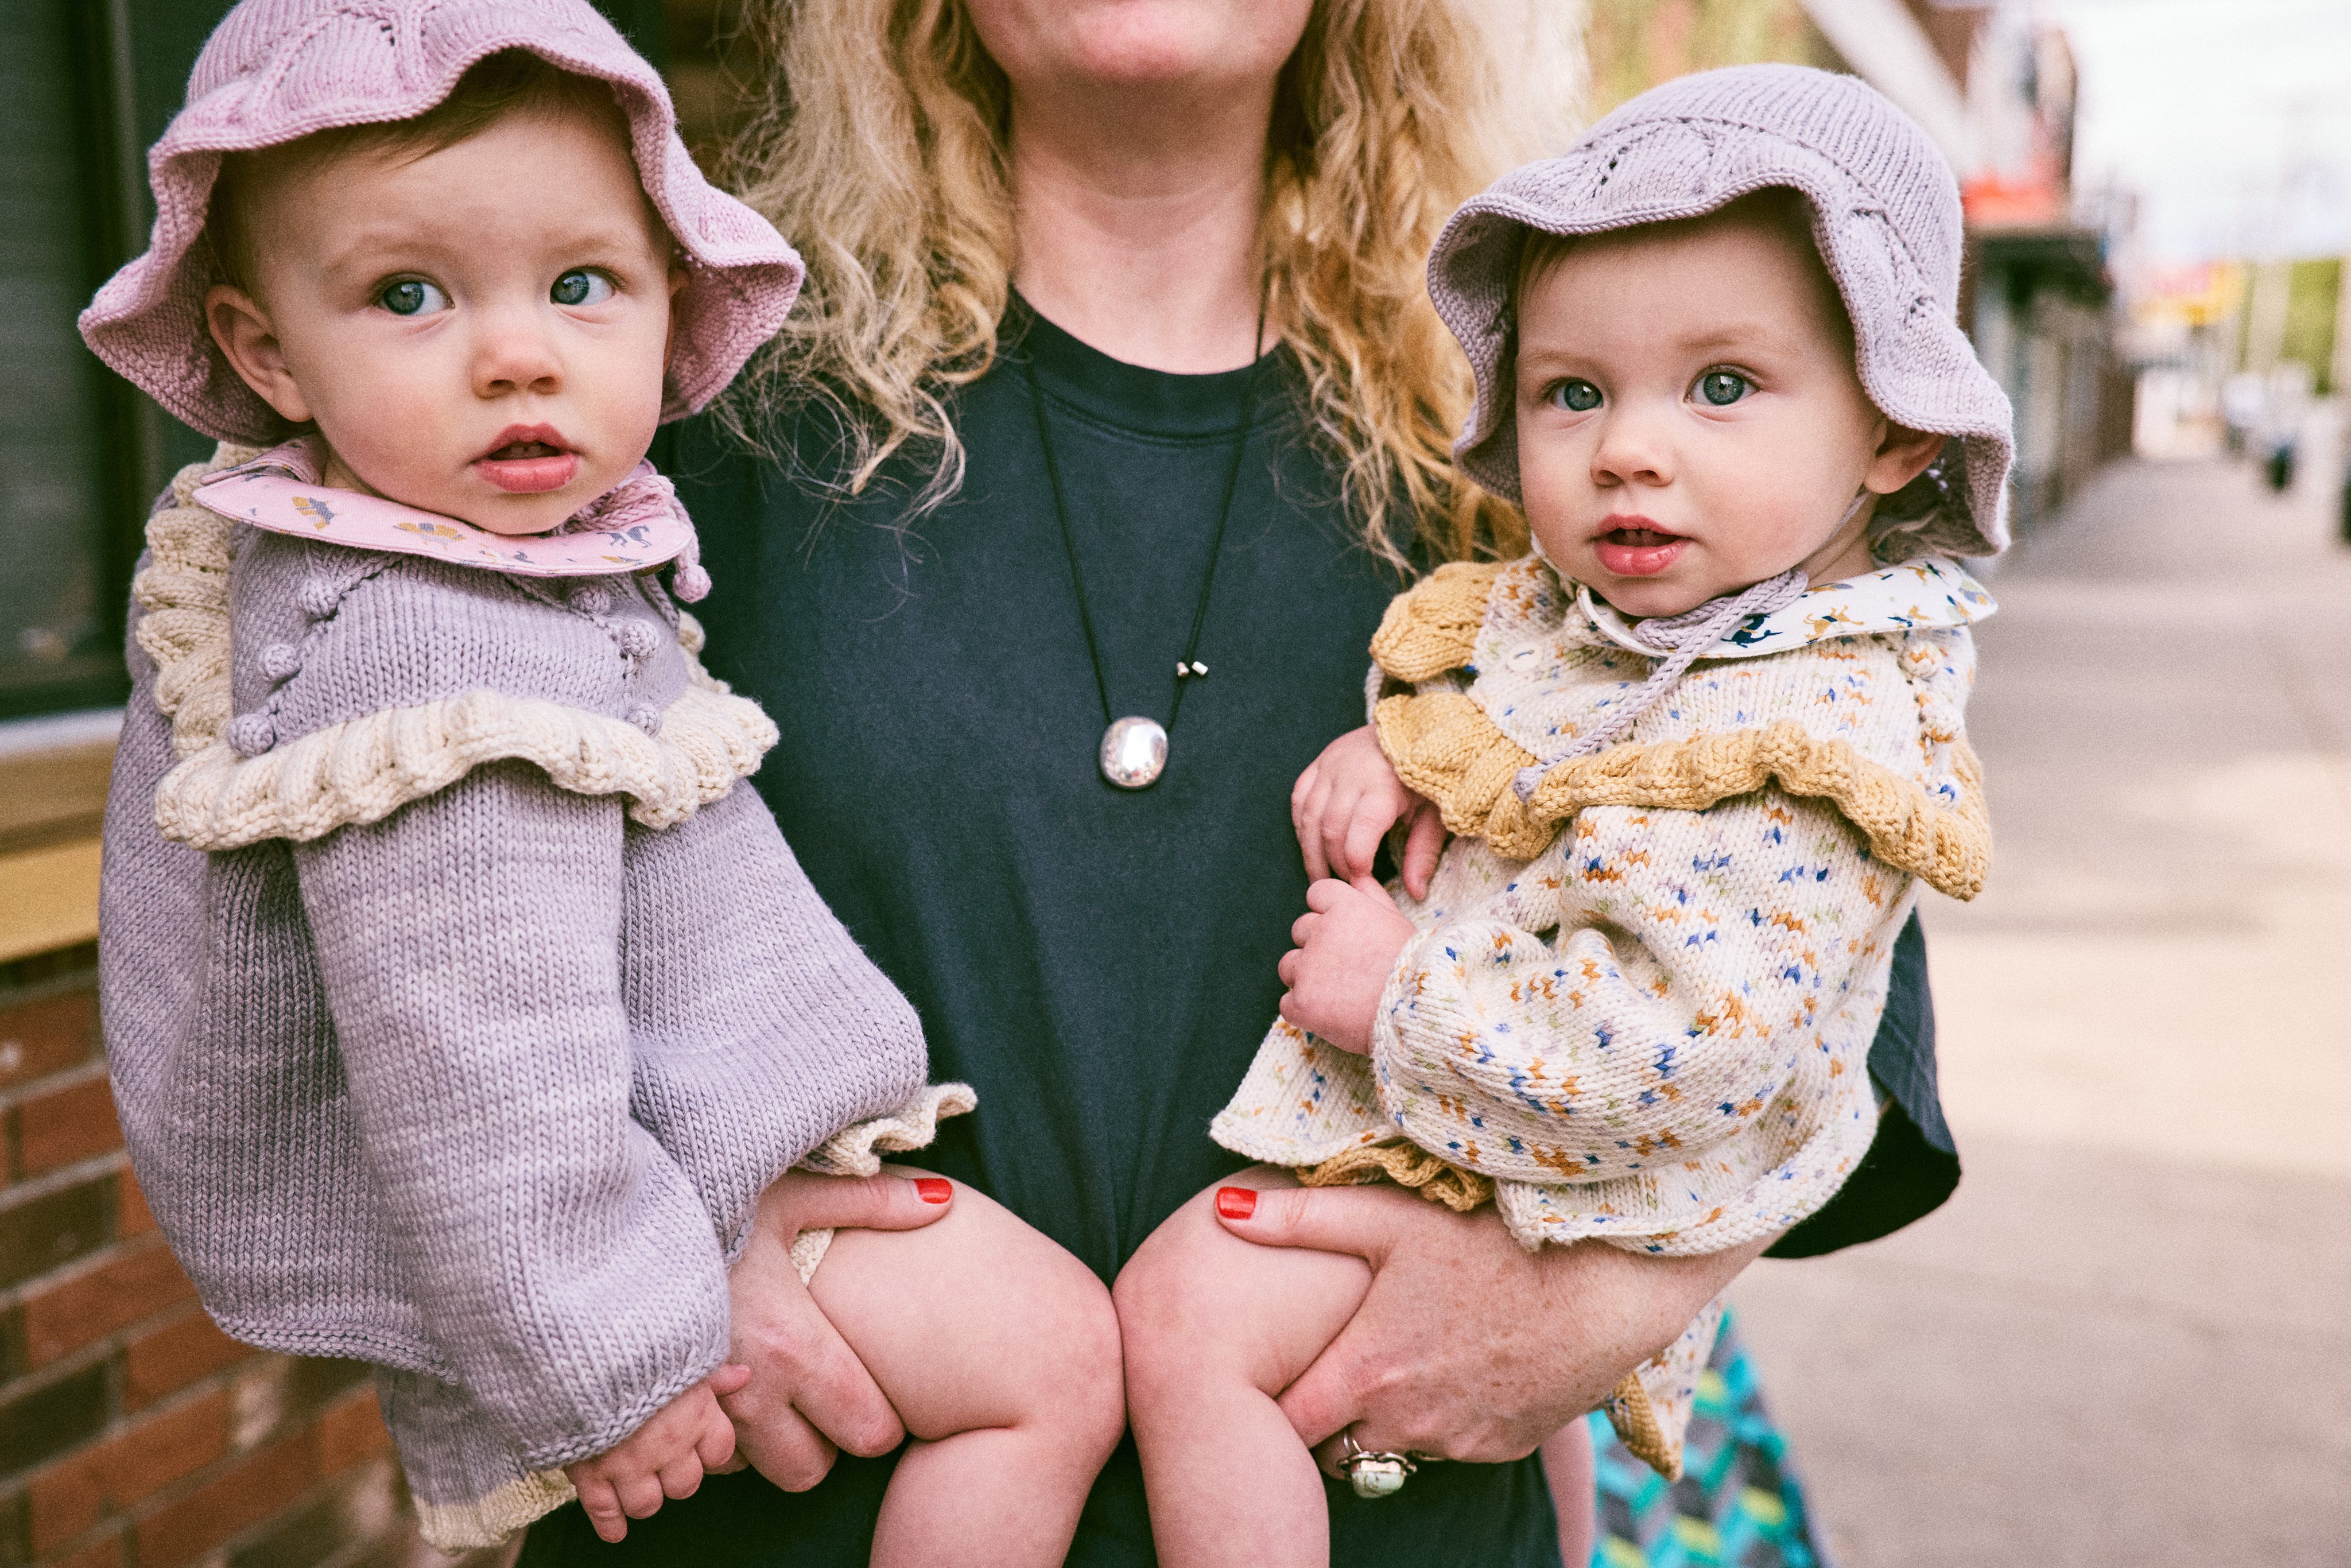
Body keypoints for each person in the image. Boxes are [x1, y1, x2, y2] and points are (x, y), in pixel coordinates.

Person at [517, 6, 1972, 1564]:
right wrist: (624, 1234)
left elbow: (1831, 992)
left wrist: (1595, 1305)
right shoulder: (679, 397)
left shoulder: (1552, 426)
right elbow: (369, 884)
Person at [82, 4, 1132, 1561]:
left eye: (582, 285)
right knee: (1048, 1360)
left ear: (662, 296)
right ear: (262, 349)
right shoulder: (421, 642)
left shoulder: (497, 565)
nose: (518, 353)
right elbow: (475, 1064)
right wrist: (618, 1362)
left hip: (659, 1188)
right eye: (407, 294)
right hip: (621, 1249)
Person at [1115, 64, 2012, 1566]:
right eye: (1573, 391)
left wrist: (1400, 993)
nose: (1630, 449)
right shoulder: (1650, 619)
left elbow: (1700, 1030)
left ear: (1896, 431)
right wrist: (1408, 743)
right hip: (1508, 1162)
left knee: (1183, 1312)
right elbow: (1548, 708)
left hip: (1550, 1181)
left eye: (1723, 385)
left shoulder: (1823, 720)